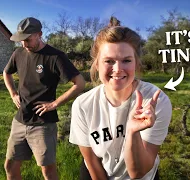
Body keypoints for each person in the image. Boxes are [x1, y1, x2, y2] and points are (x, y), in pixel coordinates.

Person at [69, 17, 172, 180]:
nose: (117, 69)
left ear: (136, 64)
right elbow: (91, 161)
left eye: (126, 61)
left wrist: (132, 132)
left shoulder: (155, 100)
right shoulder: (83, 105)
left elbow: (138, 172)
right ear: (96, 64)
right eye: (109, 61)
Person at [3, 17, 85, 180]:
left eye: (28, 39)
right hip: (20, 120)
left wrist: (54, 104)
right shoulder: (18, 53)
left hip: (43, 124)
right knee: (10, 165)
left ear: (39, 34)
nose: (24, 44)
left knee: (47, 171)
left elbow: (80, 83)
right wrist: (13, 93)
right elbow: (7, 72)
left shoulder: (55, 56)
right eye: (21, 40)